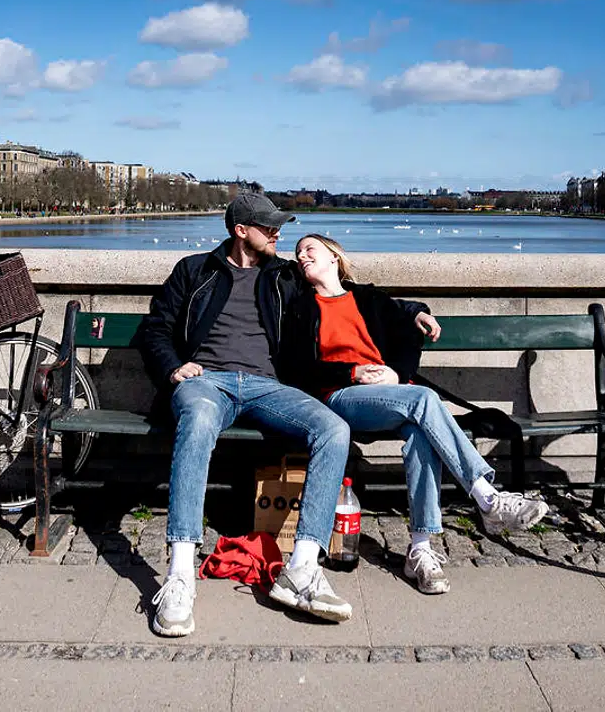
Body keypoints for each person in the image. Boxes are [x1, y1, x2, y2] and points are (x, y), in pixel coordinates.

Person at [135, 192, 437, 637]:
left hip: (269, 387)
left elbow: (347, 294)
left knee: (332, 428)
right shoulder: (194, 270)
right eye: (269, 226)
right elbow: (156, 328)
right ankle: (180, 576)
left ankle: (302, 568)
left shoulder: (284, 276)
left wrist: (414, 312)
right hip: (206, 382)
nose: (279, 233)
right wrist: (172, 367)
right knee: (197, 420)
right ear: (241, 231)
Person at [279, 234, 550, 596]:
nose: (302, 255)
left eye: (310, 249)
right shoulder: (301, 307)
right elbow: (297, 369)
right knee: (423, 399)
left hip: (391, 394)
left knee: (421, 433)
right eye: (298, 253)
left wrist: (397, 369)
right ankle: (488, 499)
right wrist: (351, 374)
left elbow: (405, 321)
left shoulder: (367, 297)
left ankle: (420, 549)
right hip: (341, 397)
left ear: (334, 257)